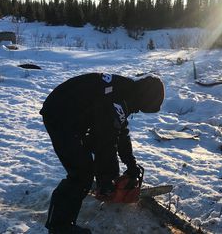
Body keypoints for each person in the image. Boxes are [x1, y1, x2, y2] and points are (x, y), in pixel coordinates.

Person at [40, 73, 164, 233]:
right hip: (60, 116)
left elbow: (119, 132)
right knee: (81, 173)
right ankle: (59, 227)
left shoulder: (124, 92)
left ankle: (91, 185)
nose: (138, 110)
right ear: (144, 98)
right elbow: (105, 141)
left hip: (71, 114)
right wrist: (106, 180)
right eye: (142, 108)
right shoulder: (119, 99)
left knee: (90, 158)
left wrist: (130, 163)